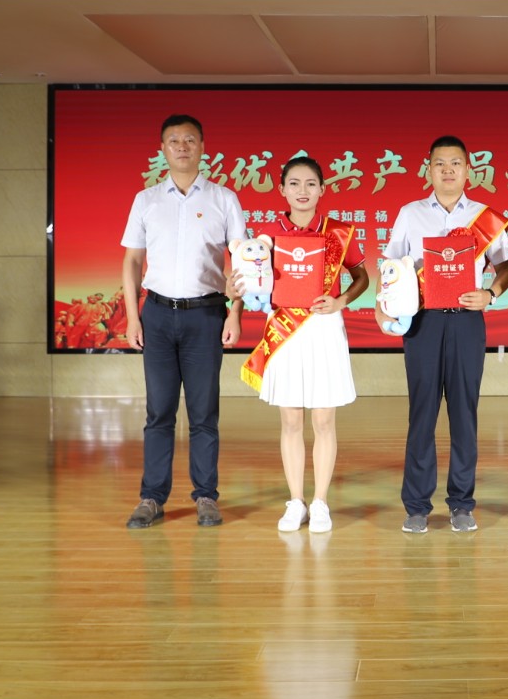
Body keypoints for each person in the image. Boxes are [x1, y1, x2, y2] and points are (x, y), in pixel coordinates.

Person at [375, 135, 508, 533]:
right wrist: (384, 306)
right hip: (424, 322)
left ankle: (462, 503)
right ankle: (417, 505)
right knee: (422, 412)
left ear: (468, 169)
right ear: (429, 169)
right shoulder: (410, 213)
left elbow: (505, 267)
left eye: (455, 163)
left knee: (464, 414)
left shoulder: (485, 217)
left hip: (467, 322)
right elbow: (390, 266)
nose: (448, 170)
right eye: (440, 163)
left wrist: (490, 294)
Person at [120, 114, 246, 529]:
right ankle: (152, 498)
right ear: (163, 149)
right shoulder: (146, 200)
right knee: (159, 412)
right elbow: (132, 260)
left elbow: (242, 262)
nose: (182, 147)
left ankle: (206, 496)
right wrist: (133, 316)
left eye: (190, 140)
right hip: (156, 315)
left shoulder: (223, 199)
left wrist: (235, 313)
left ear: (202, 147)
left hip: (206, 315)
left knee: (204, 413)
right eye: (173, 140)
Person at [236, 156, 369, 533]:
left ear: (322, 189)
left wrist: (341, 301)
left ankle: (321, 502)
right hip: (284, 331)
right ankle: (296, 501)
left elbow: (361, 276)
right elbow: (251, 279)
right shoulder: (267, 236)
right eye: (294, 184)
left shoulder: (338, 232)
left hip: (324, 327)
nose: (303, 191)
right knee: (291, 420)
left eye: (311, 184)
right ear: (282, 189)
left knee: (324, 420)